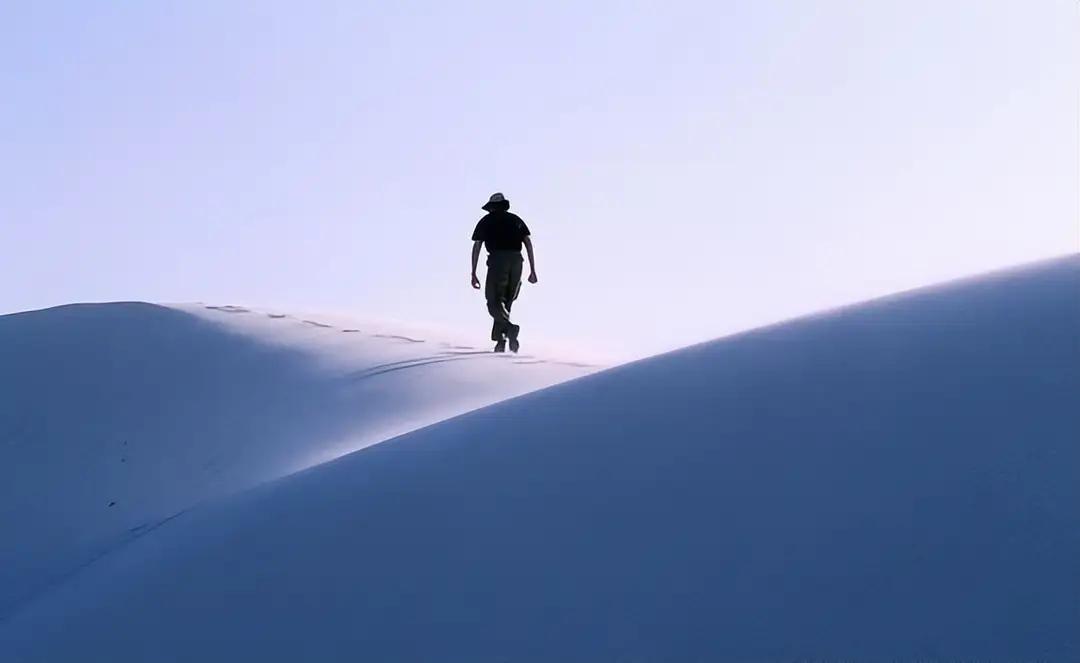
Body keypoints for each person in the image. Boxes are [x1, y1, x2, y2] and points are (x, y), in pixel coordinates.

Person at [470, 192, 538, 353]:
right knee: (507, 302)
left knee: (493, 301)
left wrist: (473, 272)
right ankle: (500, 341)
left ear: (492, 207)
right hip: (517, 261)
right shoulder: (516, 220)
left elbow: (477, 246)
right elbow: (528, 243)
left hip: (498, 260)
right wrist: (533, 270)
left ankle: (508, 329)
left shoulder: (486, 221)